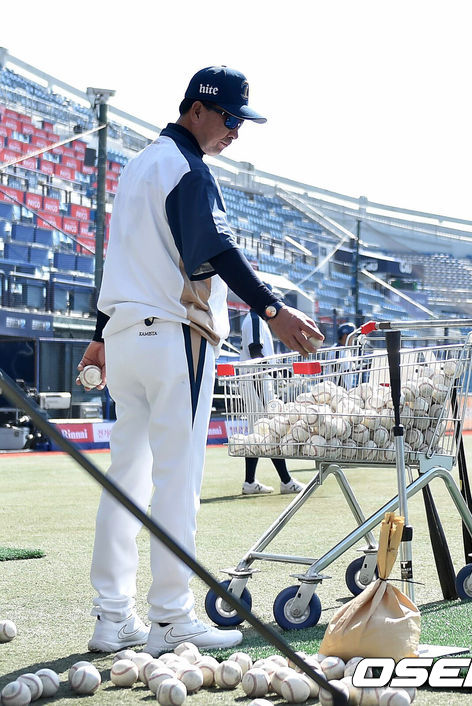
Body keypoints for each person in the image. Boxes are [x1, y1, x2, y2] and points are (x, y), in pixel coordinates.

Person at [77, 65, 324, 658]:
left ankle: (112, 617)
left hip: (128, 337)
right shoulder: (187, 167)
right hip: (173, 338)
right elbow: (212, 250)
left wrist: (100, 333)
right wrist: (273, 311)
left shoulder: (138, 165)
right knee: (177, 482)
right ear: (197, 110)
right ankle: (171, 620)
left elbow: (122, 258)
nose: (236, 130)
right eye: (232, 117)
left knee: (126, 479)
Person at [239, 298, 306, 495]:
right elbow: (255, 352)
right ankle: (286, 481)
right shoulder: (255, 320)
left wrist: (276, 373)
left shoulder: (255, 320)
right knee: (271, 430)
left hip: (255, 380)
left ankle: (250, 482)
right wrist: (276, 375)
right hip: (257, 381)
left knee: (258, 433)